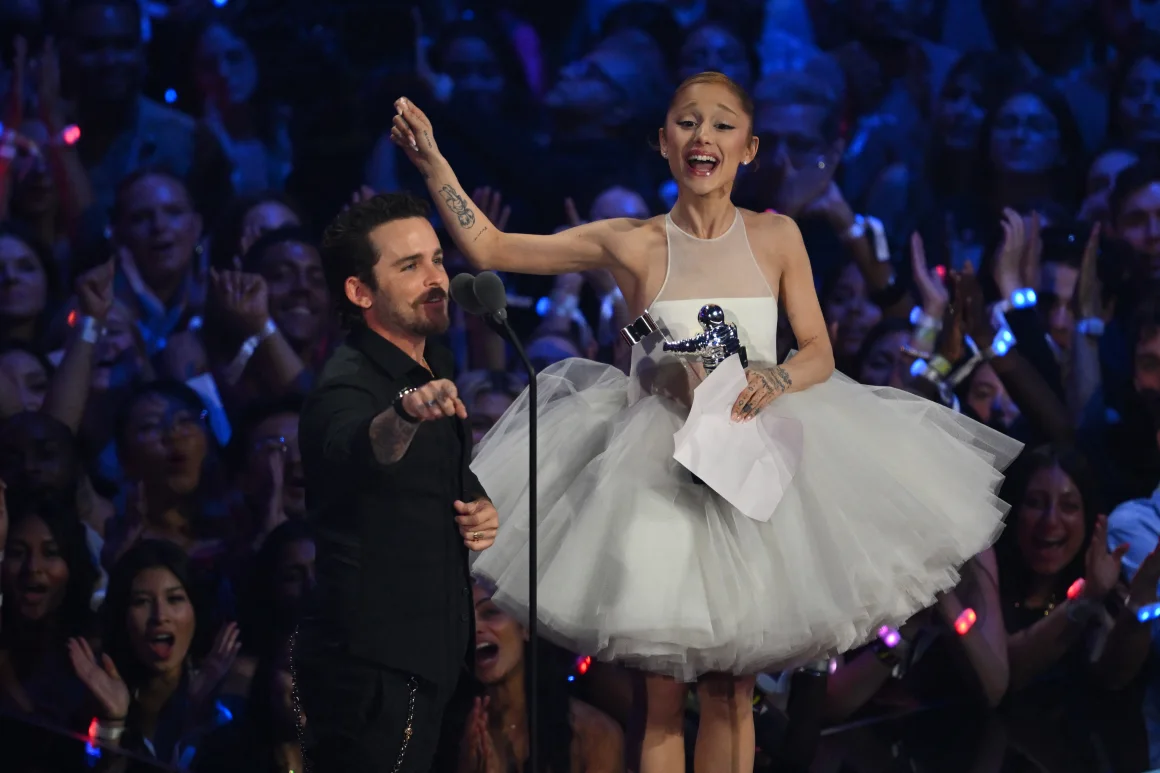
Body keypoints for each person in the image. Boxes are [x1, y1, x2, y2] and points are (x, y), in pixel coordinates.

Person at [392, 72, 1025, 772]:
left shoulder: (778, 237)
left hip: (747, 475)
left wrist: (776, 375)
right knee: (660, 698)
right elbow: (492, 248)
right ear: (663, 143)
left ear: (749, 148)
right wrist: (433, 162)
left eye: (723, 124)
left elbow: (818, 349)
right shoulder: (630, 243)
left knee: (731, 690)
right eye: (687, 122)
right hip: (653, 479)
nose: (703, 135)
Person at [294, 192, 500, 773]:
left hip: (437, 658)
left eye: (437, 259)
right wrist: (404, 414)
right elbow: (357, 447)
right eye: (410, 267)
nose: (436, 279)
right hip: (374, 673)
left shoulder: (433, 366)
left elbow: (442, 477)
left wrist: (480, 505)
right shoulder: (347, 385)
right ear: (360, 292)